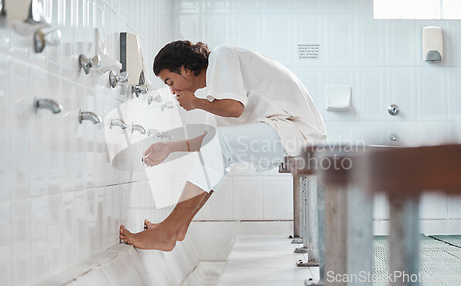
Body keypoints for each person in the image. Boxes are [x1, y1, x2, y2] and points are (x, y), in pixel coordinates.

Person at [119, 40, 326, 251]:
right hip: (282, 130)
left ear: (186, 70)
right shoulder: (222, 87)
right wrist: (170, 147)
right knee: (218, 150)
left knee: (219, 146)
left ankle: (167, 232)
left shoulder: (222, 55)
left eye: (170, 82)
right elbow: (212, 142)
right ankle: (179, 227)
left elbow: (234, 109)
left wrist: (195, 102)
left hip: (299, 132)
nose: (172, 91)